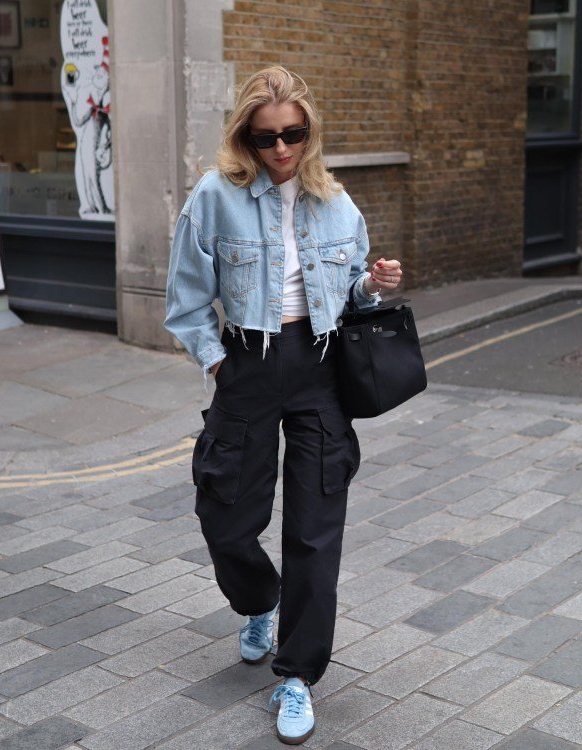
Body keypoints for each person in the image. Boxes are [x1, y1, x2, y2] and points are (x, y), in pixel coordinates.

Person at [164, 65, 402, 745]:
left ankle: (297, 675)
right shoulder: (215, 197)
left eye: (293, 134)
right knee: (226, 514)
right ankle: (259, 601)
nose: (281, 149)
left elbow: (352, 292)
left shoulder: (337, 202)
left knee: (315, 529)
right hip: (246, 365)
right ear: (245, 135)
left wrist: (373, 285)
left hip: (321, 371)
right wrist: (217, 362)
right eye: (266, 137)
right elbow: (184, 302)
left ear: (309, 131)